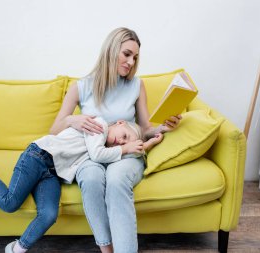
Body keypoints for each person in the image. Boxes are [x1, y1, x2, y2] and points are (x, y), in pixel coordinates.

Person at [0, 116, 161, 253]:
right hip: (37, 156)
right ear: (119, 123)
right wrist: (126, 148)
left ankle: (17, 248)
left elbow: (111, 155)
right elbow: (98, 153)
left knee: (48, 215)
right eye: (123, 135)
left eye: (124, 142)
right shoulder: (99, 125)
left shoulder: (106, 148)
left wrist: (148, 143)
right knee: (9, 203)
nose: (120, 142)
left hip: (52, 172)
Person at [49, 27, 182, 253]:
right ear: (111, 50)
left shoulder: (136, 85)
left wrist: (164, 127)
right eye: (127, 54)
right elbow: (54, 130)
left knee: (117, 179)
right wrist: (74, 120)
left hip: (127, 153)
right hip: (90, 154)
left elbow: (144, 127)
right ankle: (106, 248)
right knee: (91, 178)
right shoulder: (81, 86)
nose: (131, 62)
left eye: (135, 58)